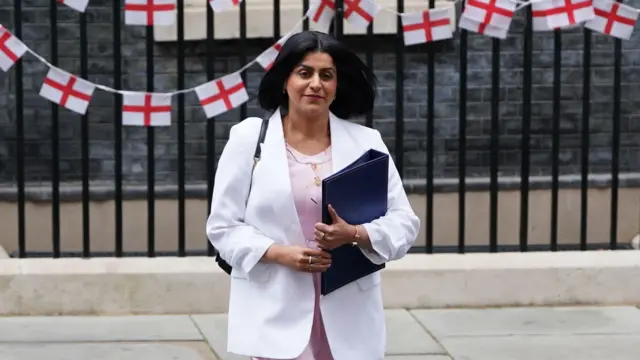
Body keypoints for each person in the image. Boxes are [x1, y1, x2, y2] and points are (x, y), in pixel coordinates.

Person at [205, 30, 420, 360]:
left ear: (337, 85)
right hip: (276, 310)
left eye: (327, 75)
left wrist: (357, 234)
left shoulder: (367, 142)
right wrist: (280, 253)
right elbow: (222, 226)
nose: (316, 84)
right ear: (284, 80)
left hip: (349, 313)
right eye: (304, 72)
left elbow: (404, 223)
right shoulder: (249, 139)